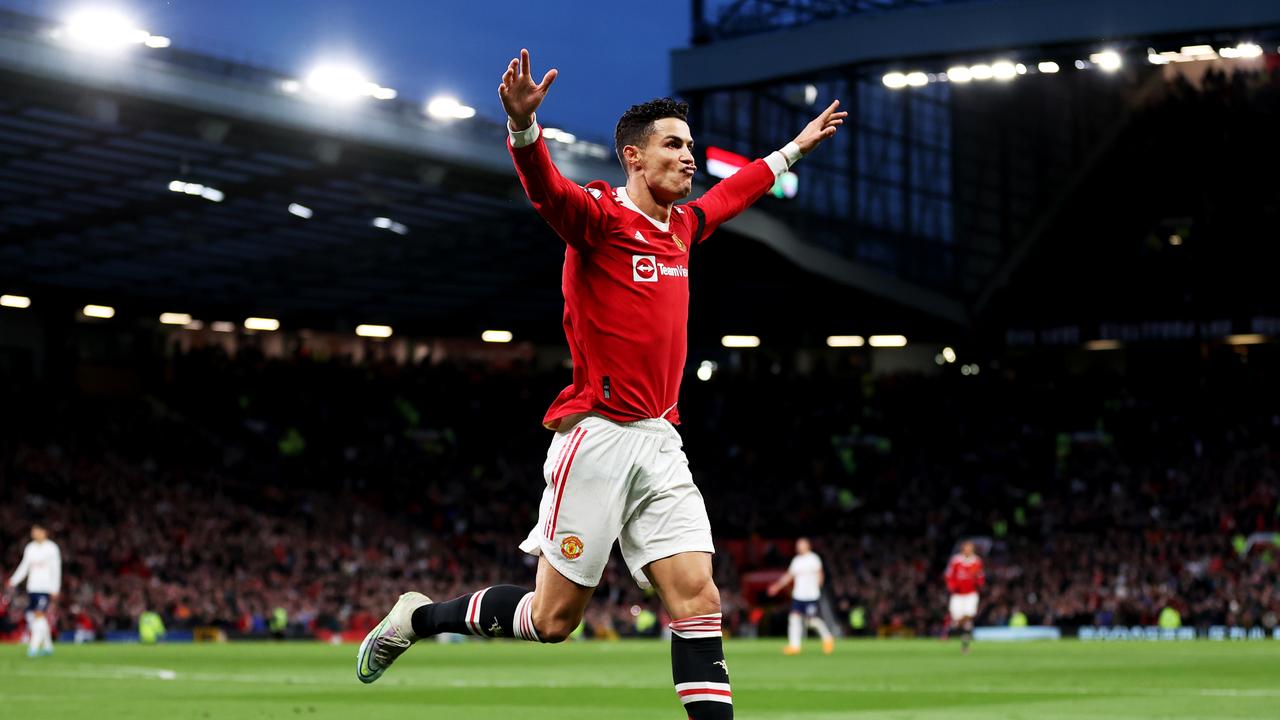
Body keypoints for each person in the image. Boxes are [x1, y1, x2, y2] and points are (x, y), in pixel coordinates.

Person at [356, 48, 846, 719]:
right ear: (633, 159)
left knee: (699, 602)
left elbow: (735, 191)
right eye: (674, 145)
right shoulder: (599, 219)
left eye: (691, 146)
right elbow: (545, 192)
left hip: (661, 441)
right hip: (599, 437)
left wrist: (794, 147)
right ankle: (420, 618)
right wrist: (524, 131)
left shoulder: (682, 229)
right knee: (555, 620)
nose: (689, 156)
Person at [767, 537, 834, 655]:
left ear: (808, 546)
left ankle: (828, 639)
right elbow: (789, 576)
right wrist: (776, 587)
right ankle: (794, 646)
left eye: (801, 544)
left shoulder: (814, 559)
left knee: (812, 621)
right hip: (798, 595)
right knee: (794, 619)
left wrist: (818, 587)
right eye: (798, 545)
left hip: (811, 596)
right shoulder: (796, 560)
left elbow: (820, 574)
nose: (798, 547)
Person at [6, 524, 62, 657]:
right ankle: (48, 647)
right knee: (33, 617)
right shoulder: (30, 548)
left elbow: (56, 569)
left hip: (46, 588)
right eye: (33, 530)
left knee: (38, 615)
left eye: (37, 530)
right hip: (33, 588)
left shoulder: (52, 548)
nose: (34, 533)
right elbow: (24, 566)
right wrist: (13, 580)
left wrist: (55, 588)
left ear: (45, 532)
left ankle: (34, 647)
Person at [944, 540, 985, 654]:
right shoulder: (956, 561)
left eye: (970, 548)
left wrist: (980, 582)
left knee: (969, 616)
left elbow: (980, 576)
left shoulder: (977, 561)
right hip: (958, 595)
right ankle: (953, 629)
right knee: (958, 620)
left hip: (971, 594)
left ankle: (964, 645)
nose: (968, 550)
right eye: (966, 548)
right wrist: (951, 586)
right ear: (962, 549)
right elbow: (948, 575)